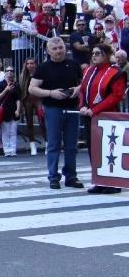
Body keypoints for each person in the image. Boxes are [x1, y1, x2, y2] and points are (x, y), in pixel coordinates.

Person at [30, 36, 83, 190]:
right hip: (53, 108)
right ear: (48, 51)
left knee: (71, 145)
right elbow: (32, 88)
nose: (58, 51)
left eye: (60, 48)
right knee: (53, 144)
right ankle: (53, 176)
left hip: (72, 108)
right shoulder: (43, 68)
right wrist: (51, 93)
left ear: (65, 48)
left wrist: (77, 90)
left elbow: (83, 82)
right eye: (54, 49)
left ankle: (71, 176)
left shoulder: (73, 65)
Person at [79, 44, 127, 193]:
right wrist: (82, 106)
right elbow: (82, 90)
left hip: (108, 116)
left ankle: (113, 183)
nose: (94, 56)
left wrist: (95, 109)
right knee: (94, 149)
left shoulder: (115, 72)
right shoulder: (88, 70)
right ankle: (100, 180)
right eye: (93, 53)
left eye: (98, 53)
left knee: (110, 149)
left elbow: (117, 95)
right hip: (90, 115)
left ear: (106, 55)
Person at [0, 66, 21, 157]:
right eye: (7, 71)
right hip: (4, 110)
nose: (9, 72)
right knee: (5, 131)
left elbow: (18, 99)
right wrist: (6, 89)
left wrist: (18, 110)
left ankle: (13, 150)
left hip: (13, 110)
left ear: (14, 73)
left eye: (11, 71)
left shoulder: (16, 84)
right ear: (5, 72)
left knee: (13, 131)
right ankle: (7, 150)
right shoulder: (1, 84)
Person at [19, 59, 42, 148]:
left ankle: (47, 143)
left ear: (35, 64)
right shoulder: (23, 75)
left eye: (32, 63)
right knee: (29, 122)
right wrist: (21, 104)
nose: (29, 65)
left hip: (38, 99)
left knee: (42, 121)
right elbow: (21, 89)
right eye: (27, 64)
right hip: (27, 99)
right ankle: (32, 145)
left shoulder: (40, 73)